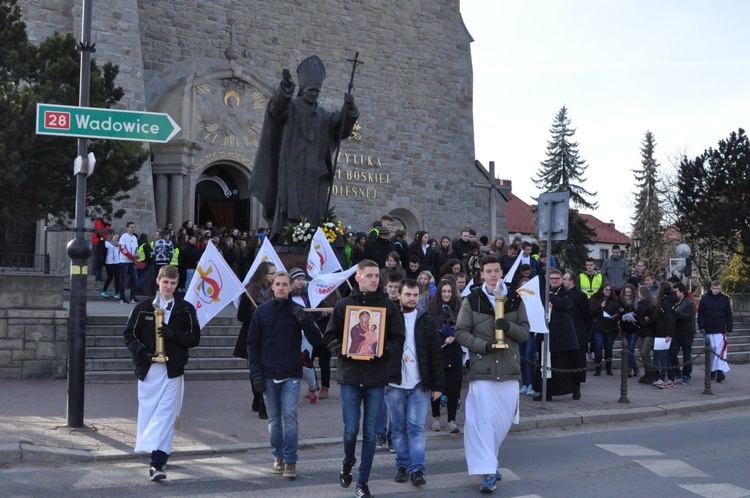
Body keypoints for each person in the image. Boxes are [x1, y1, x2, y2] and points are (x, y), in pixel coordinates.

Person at [250, 56, 359, 236]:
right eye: (310, 90)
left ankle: (312, 233)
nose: (313, 94)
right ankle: (291, 234)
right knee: (290, 205)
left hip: (317, 172)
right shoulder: (291, 107)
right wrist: (285, 88)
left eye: (317, 91)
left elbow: (341, 129)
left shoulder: (324, 115)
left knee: (315, 209)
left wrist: (350, 108)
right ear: (302, 88)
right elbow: (276, 110)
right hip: (293, 169)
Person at [324, 260, 405, 498]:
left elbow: (398, 339)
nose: (374, 280)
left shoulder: (388, 308)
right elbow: (330, 336)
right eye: (369, 275)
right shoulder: (343, 306)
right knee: (350, 431)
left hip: (375, 377)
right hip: (350, 376)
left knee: (370, 433)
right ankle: (348, 462)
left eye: (376, 276)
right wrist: (342, 348)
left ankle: (363, 482)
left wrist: (382, 349)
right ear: (358, 278)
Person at [454, 255, 530, 494]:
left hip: (508, 369)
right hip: (483, 369)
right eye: (489, 271)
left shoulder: (515, 299)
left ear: (501, 273)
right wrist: (484, 346)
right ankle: (488, 471)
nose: (493, 274)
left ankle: (490, 462)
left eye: (497, 270)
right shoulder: (472, 300)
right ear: (482, 274)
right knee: (483, 422)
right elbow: (461, 333)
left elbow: (526, 332)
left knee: (501, 423)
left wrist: (508, 327)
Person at [123, 265, 200, 481]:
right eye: (165, 282)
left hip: (172, 370)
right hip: (148, 370)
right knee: (149, 414)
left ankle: (157, 462)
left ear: (177, 285)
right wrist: (143, 354)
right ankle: (155, 451)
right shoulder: (143, 307)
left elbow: (194, 338)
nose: (168, 286)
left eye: (173, 283)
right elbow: (129, 335)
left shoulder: (185, 308)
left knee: (166, 415)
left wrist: (173, 335)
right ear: (158, 281)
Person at [248, 271, 323, 480]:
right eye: (277, 284)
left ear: (291, 288)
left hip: (290, 373)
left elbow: (317, 340)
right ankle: (277, 456)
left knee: (289, 415)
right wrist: (255, 373)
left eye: (285, 284)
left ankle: (290, 460)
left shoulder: (297, 311)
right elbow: (252, 344)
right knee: (274, 419)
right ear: (272, 286)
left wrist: (305, 320)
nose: (281, 287)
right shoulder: (261, 312)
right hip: (268, 373)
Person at [385, 279, 444, 487]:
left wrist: (437, 385)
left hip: (419, 384)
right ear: (399, 295)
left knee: (417, 427)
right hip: (395, 384)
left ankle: (417, 469)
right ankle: (402, 465)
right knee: (398, 428)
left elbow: (435, 354)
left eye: (415, 295)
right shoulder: (389, 318)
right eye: (408, 294)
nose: (412, 298)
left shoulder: (426, 319)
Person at [233, 261, 277, 419]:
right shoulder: (250, 291)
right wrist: (258, 315)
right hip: (252, 335)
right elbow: (241, 316)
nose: (274, 276)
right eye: (272, 273)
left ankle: (262, 403)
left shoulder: (275, 291)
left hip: (270, 336)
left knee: (266, 369)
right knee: (255, 370)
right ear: (264, 274)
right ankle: (257, 396)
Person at [533, 269, 581, 400]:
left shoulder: (567, 293)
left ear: (561, 279)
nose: (554, 280)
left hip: (563, 337)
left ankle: (575, 389)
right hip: (547, 335)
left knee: (569, 365)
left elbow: (565, 305)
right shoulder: (544, 294)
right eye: (551, 278)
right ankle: (546, 392)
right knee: (546, 366)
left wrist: (552, 297)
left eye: (556, 278)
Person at [426, 280, 463, 433]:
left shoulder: (459, 308)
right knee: (436, 387)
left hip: (454, 353)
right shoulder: (432, 310)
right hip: (439, 353)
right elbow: (429, 331)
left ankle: (451, 420)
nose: (447, 294)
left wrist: (456, 336)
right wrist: (443, 339)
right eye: (444, 291)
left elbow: (465, 328)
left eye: (449, 291)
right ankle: (436, 418)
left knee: (453, 389)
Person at [698, 280, 733, 383]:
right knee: (711, 352)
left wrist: (729, 328)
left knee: (720, 351)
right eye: (714, 288)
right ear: (711, 288)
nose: (716, 291)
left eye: (718, 289)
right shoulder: (705, 299)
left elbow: (728, 314)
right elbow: (701, 314)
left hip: (720, 329)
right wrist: (702, 327)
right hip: (708, 330)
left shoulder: (724, 299)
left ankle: (720, 371)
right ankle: (712, 371)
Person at [562, 271, 590, 389]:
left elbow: (586, 315)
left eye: (564, 279)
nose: (562, 281)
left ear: (571, 281)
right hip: (566, 330)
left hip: (578, 330)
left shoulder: (580, 296)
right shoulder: (562, 294)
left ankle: (578, 378)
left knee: (578, 356)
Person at [589, 284, 621, 376]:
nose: (608, 291)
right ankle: (598, 368)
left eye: (610, 290)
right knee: (598, 347)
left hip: (610, 327)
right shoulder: (595, 298)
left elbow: (618, 313)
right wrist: (600, 306)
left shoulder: (614, 300)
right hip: (598, 327)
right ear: (602, 290)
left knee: (608, 348)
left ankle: (608, 368)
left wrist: (614, 317)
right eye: (606, 290)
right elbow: (591, 311)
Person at [669, 282, 696, 384]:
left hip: (687, 332)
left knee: (687, 354)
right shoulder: (676, 303)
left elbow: (689, 317)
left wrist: (676, 314)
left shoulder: (689, 302)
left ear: (681, 291)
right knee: (672, 352)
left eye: (675, 291)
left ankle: (686, 374)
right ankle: (677, 372)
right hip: (677, 332)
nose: (674, 294)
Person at [652, 281, 677, 388]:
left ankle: (662, 379)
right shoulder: (666, 301)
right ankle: (671, 378)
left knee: (662, 357)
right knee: (665, 356)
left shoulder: (666, 302)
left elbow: (670, 319)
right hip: (661, 331)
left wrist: (669, 334)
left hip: (663, 332)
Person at [635, 285, 658, 384]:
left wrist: (643, 321)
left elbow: (653, 320)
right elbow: (640, 318)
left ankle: (651, 371)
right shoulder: (640, 305)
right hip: (641, 332)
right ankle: (648, 371)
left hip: (649, 332)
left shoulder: (651, 305)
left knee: (645, 352)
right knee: (641, 352)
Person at [618, 283, 640, 377]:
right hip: (625, 327)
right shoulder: (621, 302)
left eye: (629, 292)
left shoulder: (636, 302)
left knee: (631, 347)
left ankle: (628, 368)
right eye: (626, 292)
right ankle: (635, 367)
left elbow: (639, 313)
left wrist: (635, 315)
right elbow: (618, 315)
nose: (627, 294)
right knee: (628, 349)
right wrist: (620, 313)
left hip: (634, 327)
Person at [118, 221, 139, 304]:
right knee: (123, 280)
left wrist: (136, 255)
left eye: (133, 227)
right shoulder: (124, 237)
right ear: (127, 228)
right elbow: (123, 249)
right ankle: (122, 298)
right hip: (124, 261)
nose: (133, 228)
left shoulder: (134, 238)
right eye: (131, 227)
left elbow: (136, 249)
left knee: (135, 279)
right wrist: (132, 257)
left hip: (132, 261)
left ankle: (132, 297)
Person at [92, 215, 111, 281]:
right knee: (96, 260)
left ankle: (98, 277)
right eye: (106, 219)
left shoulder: (106, 225)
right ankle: (93, 276)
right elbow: (100, 232)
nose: (107, 221)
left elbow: (105, 234)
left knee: (101, 260)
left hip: (102, 243)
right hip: (97, 242)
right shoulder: (99, 223)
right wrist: (107, 228)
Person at [101, 233, 121, 299]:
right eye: (115, 237)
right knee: (110, 277)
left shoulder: (118, 245)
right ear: (112, 237)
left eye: (118, 238)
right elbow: (103, 251)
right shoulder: (107, 243)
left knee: (117, 278)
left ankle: (117, 292)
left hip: (117, 262)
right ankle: (104, 290)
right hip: (109, 262)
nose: (116, 238)